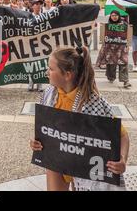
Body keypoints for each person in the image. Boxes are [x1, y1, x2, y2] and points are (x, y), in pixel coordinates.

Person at [30, 46, 129, 191]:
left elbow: (123, 135)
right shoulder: (49, 94)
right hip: (57, 162)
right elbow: (44, 128)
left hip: (84, 168)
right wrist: (35, 141)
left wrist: (123, 160)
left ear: (67, 75)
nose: (47, 73)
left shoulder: (93, 103)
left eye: (51, 69)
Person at [95, 10, 131, 89]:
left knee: (124, 62)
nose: (114, 17)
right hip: (110, 48)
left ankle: (125, 81)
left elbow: (128, 34)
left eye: (116, 15)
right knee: (111, 63)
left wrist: (128, 44)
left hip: (121, 47)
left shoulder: (124, 24)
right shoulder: (107, 24)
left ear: (118, 16)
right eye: (112, 15)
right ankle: (111, 77)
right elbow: (103, 34)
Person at [28, 0, 43, 92]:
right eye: (36, 4)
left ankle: (40, 85)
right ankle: (31, 84)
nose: (38, 6)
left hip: (41, 44)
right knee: (31, 64)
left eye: (40, 4)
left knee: (41, 64)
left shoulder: (44, 16)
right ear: (33, 6)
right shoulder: (28, 17)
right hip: (31, 43)